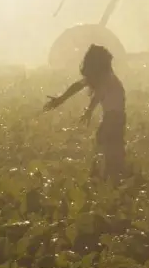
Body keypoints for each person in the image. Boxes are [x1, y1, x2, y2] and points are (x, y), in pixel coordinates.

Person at [44, 44, 127, 182]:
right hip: (114, 116)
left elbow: (99, 94)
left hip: (114, 117)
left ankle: (106, 176)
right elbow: (78, 85)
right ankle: (111, 174)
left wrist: (89, 111)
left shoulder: (107, 77)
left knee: (106, 144)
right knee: (109, 145)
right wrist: (60, 99)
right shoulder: (105, 76)